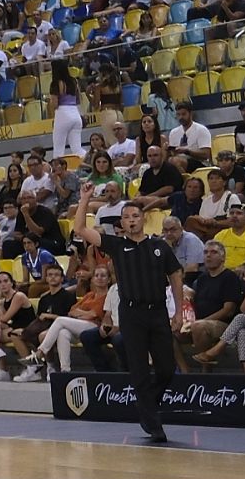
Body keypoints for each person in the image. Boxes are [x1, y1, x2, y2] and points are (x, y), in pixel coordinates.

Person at [72, 183, 185, 442]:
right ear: (121, 222)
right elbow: (79, 229)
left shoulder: (160, 246)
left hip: (157, 312)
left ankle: (145, 405)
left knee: (167, 369)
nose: (131, 221)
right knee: (139, 370)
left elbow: (176, 276)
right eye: (126, 217)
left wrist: (178, 312)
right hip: (131, 315)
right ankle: (153, 423)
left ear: (143, 219)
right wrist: (86, 199)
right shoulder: (116, 245)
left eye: (135, 216)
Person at [48, 59, 83, 159]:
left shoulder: (56, 83)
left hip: (63, 113)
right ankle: (88, 162)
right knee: (77, 148)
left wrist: (49, 101)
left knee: (59, 149)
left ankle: (57, 171)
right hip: (75, 113)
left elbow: (55, 104)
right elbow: (78, 100)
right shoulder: (74, 81)